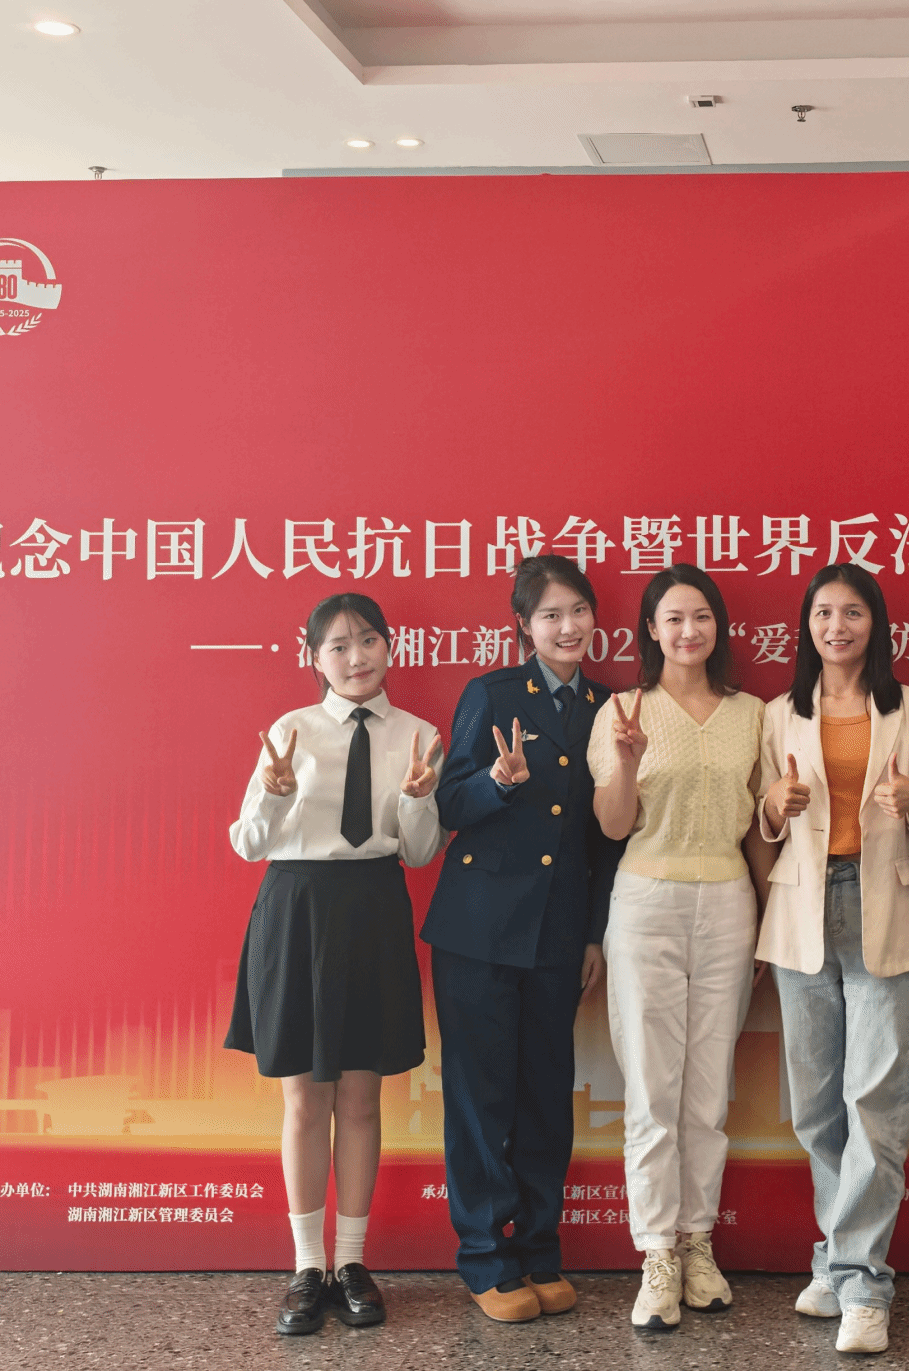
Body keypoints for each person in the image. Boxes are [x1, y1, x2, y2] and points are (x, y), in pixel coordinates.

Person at [227, 592, 445, 1337]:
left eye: (369, 641)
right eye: (340, 646)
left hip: (373, 910)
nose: (357, 658)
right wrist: (276, 795)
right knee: (303, 1100)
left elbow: (420, 852)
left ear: (390, 646)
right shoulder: (288, 731)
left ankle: (351, 1262)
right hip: (297, 911)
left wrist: (417, 801)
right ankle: (306, 1266)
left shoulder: (419, 735)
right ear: (313, 656)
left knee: (360, 1099)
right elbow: (249, 843)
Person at [423, 555, 625, 1324]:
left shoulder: (610, 707)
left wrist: (595, 933)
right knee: (481, 1100)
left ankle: (540, 1249)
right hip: (477, 932)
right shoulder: (494, 692)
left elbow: (606, 841)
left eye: (578, 610)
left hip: (558, 935)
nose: (568, 627)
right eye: (550, 615)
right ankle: (485, 1256)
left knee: (545, 1097)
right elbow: (450, 802)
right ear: (524, 626)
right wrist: (498, 782)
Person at [755, 564, 909, 1356]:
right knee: (816, 1105)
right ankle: (835, 1259)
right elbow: (765, 812)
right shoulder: (779, 712)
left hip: (883, 903)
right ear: (807, 624)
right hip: (802, 907)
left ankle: (865, 1282)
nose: (837, 626)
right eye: (824, 613)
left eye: (854, 612)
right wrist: (775, 807)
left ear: (876, 624)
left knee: (876, 1097)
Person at [588, 564, 770, 1332]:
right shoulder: (621, 710)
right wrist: (628, 759)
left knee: (707, 1090)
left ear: (717, 626)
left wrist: (768, 917)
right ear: (652, 630)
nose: (688, 630)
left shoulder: (752, 713)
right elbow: (611, 823)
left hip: (728, 903)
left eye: (701, 616)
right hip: (647, 903)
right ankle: (656, 1253)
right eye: (673, 618)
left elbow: (760, 826)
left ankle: (698, 1242)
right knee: (652, 1088)